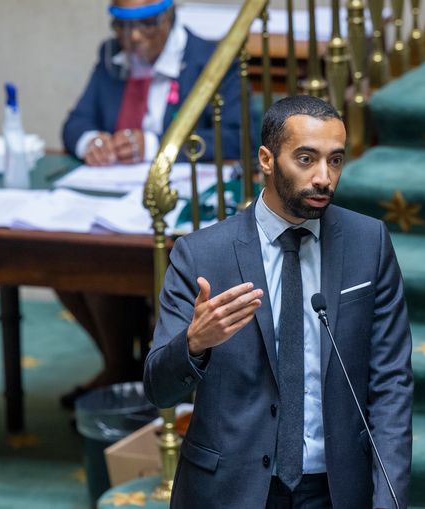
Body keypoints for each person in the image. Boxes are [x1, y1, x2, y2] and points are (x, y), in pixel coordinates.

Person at [144, 95, 413, 509]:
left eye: (335, 160)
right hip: (230, 490)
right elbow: (158, 389)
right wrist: (194, 344)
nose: (324, 177)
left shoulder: (368, 243)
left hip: (336, 489)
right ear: (267, 160)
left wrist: (389, 500)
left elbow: (391, 382)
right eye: (306, 159)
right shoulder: (201, 256)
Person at [58, 0, 242, 408]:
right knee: (68, 258)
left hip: (176, 200)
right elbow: (75, 123)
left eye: (146, 26)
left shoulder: (212, 59)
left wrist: (160, 145)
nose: (134, 38)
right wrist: (91, 142)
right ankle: (120, 365)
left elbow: (236, 136)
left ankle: (167, 374)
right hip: (113, 198)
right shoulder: (111, 56)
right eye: (123, 28)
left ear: (170, 16)